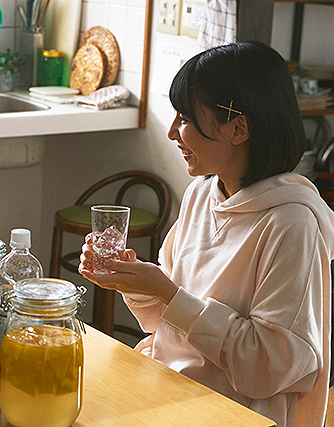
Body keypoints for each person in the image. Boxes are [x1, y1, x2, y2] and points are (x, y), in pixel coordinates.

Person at [79, 41, 334, 427]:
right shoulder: (202, 194)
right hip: (171, 382)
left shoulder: (290, 224)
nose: (171, 133)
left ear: (238, 127)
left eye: (184, 118)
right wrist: (131, 280)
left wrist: (165, 291)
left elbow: (268, 368)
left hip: (234, 411)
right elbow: (163, 322)